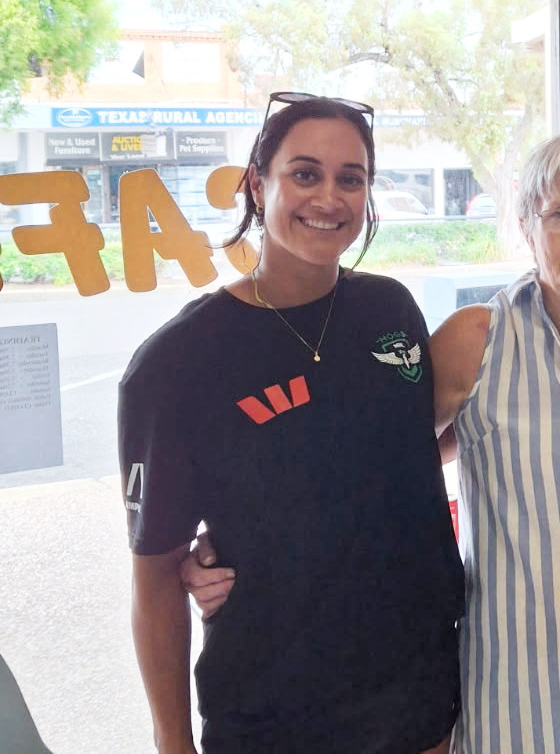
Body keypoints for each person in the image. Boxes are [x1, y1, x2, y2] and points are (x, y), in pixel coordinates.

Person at [185, 132, 560, 753]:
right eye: (559, 215)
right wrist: (240, 542)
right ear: (526, 226)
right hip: (521, 668)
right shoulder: (477, 338)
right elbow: (379, 465)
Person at [118, 93, 464, 754]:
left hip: (417, 693)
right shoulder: (177, 364)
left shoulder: (390, 310)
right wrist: (173, 742)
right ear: (258, 183)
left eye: (350, 178)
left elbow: (402, 444)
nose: (328, 198)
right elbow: (155, 575)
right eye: (305, 173)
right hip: (271, 711)